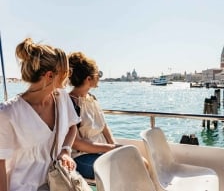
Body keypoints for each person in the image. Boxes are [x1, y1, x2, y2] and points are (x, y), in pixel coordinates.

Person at [0, 38, 81, 191]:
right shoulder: (8, 113)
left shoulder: (62, 97)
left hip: (58, 182)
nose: (67, 78)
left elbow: (72, 127)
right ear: (50, 76)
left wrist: (65, 151)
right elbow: (0, 165)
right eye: (65, 73)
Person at [68, 52, 148, 180]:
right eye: (98, 74)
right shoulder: (69, 103)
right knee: (133, 166)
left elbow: (104, 128)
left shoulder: (92, 99)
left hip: (100, 151)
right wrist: (111, 148)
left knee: (141, 161)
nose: (99, 77)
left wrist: (115, 147)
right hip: (81, 157)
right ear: (89, 79)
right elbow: (77, 144)